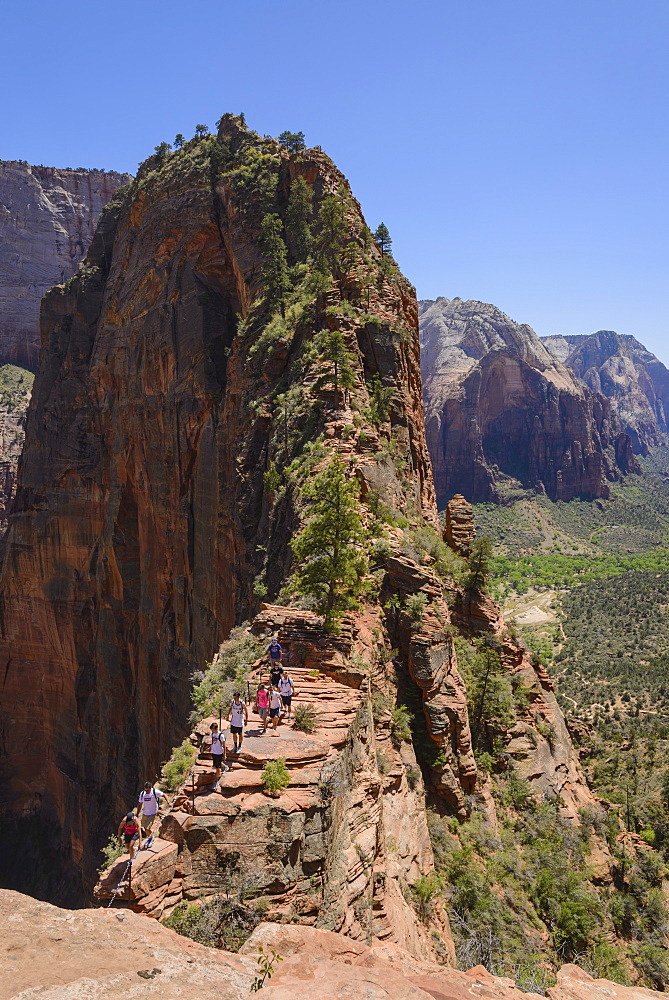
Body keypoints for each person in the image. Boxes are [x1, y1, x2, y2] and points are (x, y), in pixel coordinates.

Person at [208, 722, 228, 787]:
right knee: (216, 764)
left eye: (213, 730)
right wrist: (211, 747)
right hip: (214, 751)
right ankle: (225, 767)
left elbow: (224, 745)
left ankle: (216, 781)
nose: (212, 731)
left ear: (216, 729)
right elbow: (212, 741)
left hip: (219, 752)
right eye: (212, 730)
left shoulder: (221, 735)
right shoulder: (212, 734)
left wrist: (224, 754)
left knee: (217, 768)